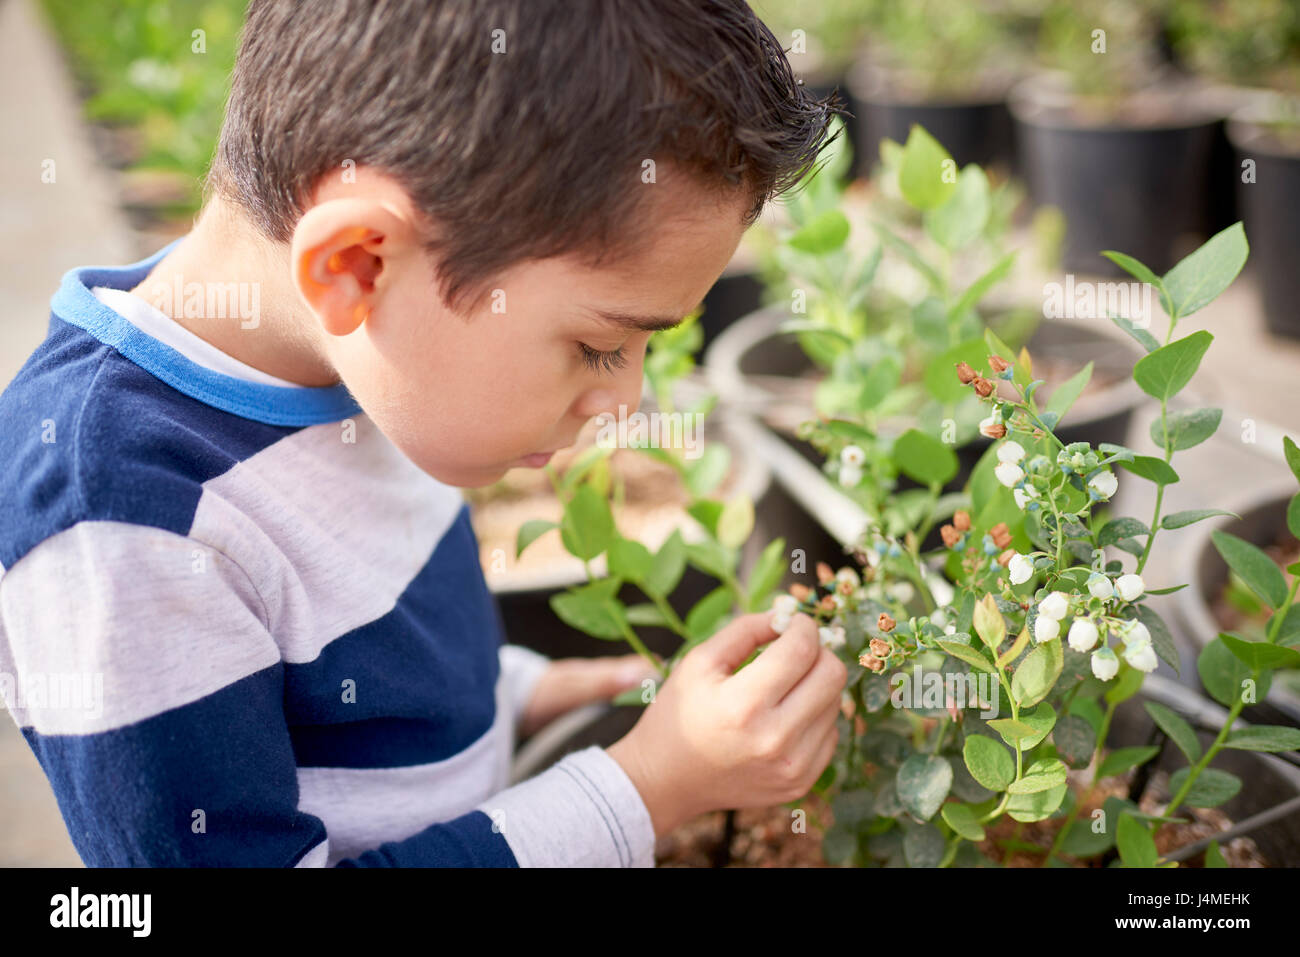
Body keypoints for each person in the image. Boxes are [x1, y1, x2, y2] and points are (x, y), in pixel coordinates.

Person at [0, 0, 847, 867]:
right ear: (356, 263)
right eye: (598, 345)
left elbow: (345, 680)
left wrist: (514, 695)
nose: (624, 399)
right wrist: (648, 785)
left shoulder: (367, 354)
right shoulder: (117, 518)